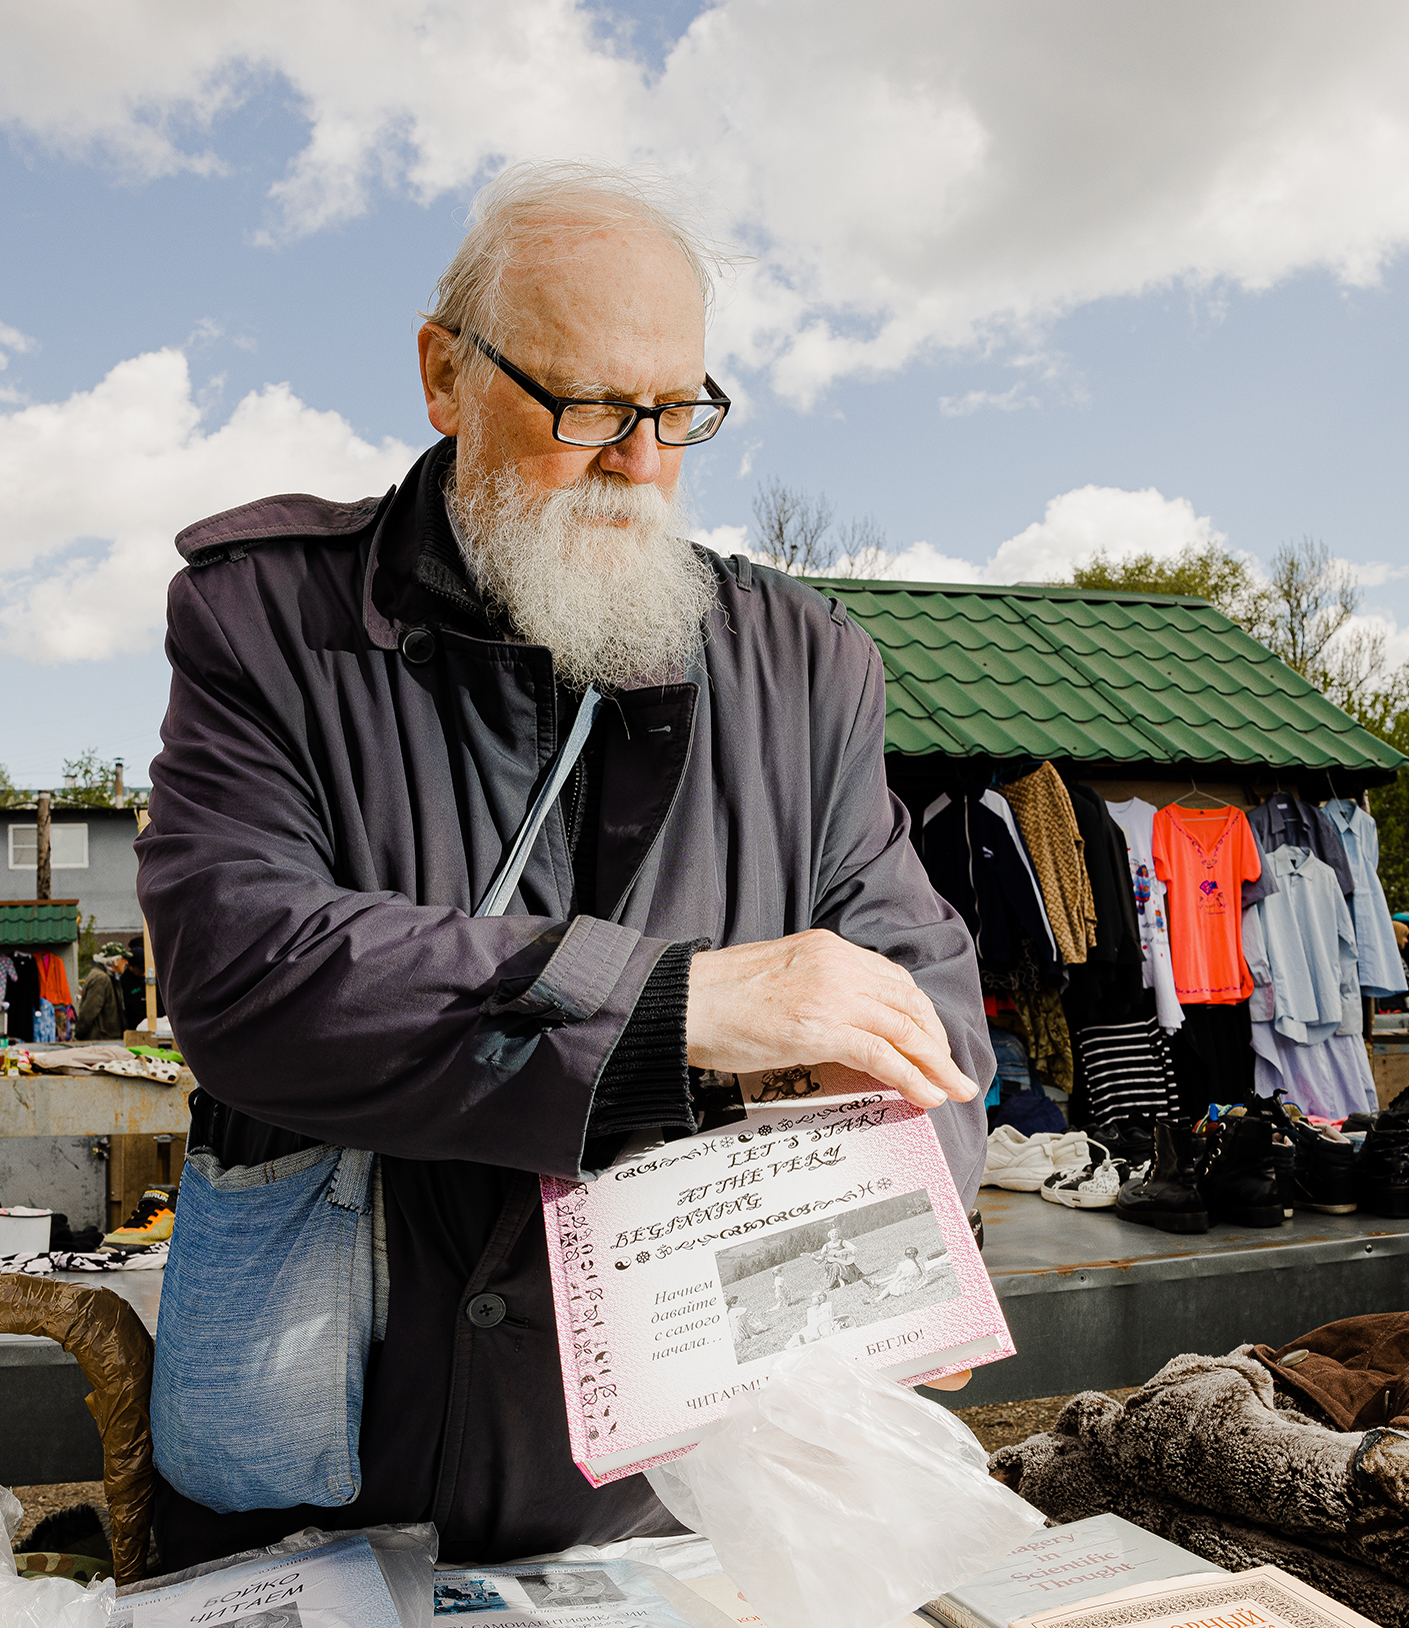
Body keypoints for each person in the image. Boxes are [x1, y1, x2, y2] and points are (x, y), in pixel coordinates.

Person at [136, 161, 989, 1567]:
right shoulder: (267, 620)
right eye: (589, 407)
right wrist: (677, 1005)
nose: (642, 462)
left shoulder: (805, 664)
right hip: (340, 1461)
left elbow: (920, 992)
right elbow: (244, 973)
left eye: (678, 411)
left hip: (667, 1487)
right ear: (443, 374)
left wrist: (914, 1227)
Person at [76, 946, 128, 1040]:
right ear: (116, 961)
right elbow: (89, 1011)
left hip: (105, 1038)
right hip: (101, 1039)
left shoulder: (108, 977)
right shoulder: (101, 979)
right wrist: (79, 1034)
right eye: (124, 959)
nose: (126, 963)